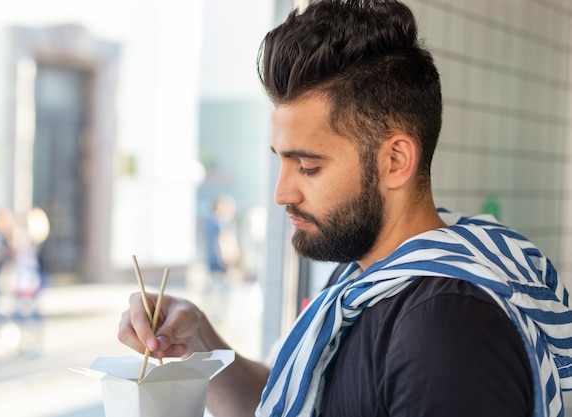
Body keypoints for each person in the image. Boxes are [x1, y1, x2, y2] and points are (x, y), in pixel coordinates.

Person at [118, 1, 572, 416]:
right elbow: (292, 397)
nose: (282, 193)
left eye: (309, 167)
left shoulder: (445, 331)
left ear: (395, 161)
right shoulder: (364, 275)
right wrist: (199, 340)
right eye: (281, 160)